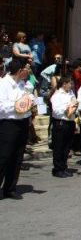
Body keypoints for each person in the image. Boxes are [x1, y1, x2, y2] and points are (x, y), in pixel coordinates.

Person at [0, 59, 31, 199]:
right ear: (20, 71)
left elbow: (26, 101)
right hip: (8, 124)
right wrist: (18, 104)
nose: (29, 71)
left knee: (17, 157)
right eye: (27, 69)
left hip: (22, 122)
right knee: (4, 156)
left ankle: (10, 188)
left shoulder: (21, 84)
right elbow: (2, 107)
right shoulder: (3, 84)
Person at [50, 77, 78, 178]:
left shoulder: (70, 93)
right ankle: (57, 169)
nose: (71, 86)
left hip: (70, 121)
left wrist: (74, 106)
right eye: (70, 83)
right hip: (60, 122)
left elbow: (74, 104)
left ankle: (63, 167)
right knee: (59, 146)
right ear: (64, 84)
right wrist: (68, 107)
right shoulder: (57, 95)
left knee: (67, 146)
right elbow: (56, 110)